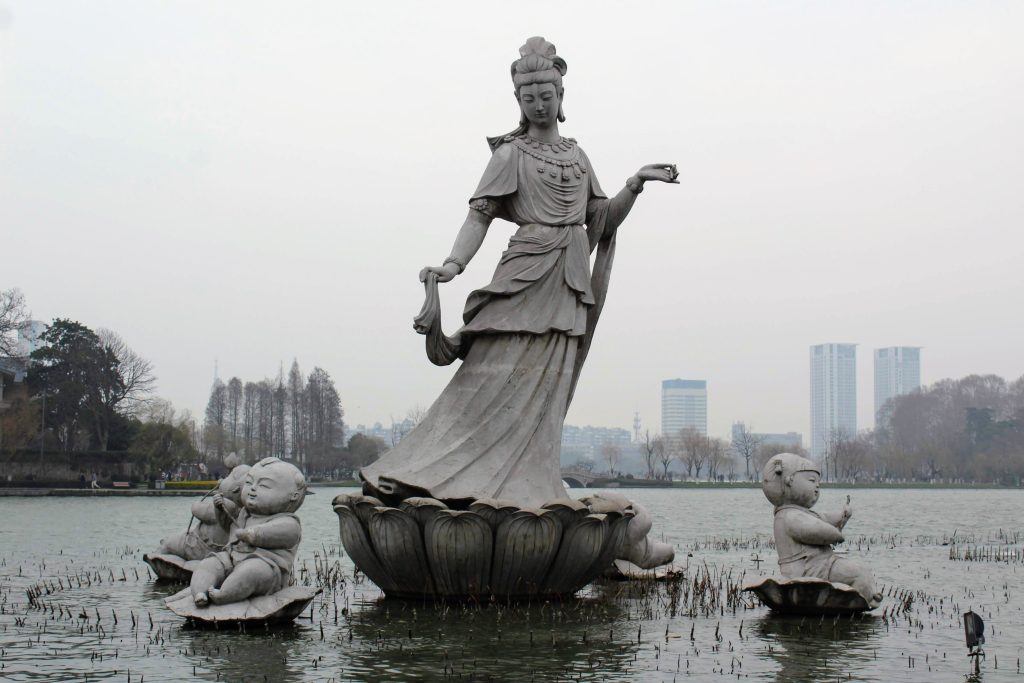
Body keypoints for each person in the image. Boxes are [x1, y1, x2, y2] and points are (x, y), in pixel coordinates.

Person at [360, 37, 677, 508]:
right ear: (519, 102)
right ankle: (435, 471)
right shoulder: (511, 154)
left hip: (568, 282)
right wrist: (453, 265)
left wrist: (635, 183)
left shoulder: (577, 155)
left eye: (547, 96)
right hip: (524, 274)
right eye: (530, 99)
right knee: (487, 376)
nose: (539, 105)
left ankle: (527, 482)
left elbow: (601, 218)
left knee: (546, 387)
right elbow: (479, 215)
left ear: (561, 96)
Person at [762, 453, 882, 607]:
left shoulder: (802, 513)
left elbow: (825, 519)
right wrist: (835, 535)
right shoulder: (789, 516)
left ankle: (863, 597)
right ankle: (855, 603)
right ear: (789, 481)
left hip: (821, 565)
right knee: (859, 573)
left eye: (818, 482)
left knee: (861, 570)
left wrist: (842, 515)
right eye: (811, 481)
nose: (817, 486)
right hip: (808, 570)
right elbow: (815, 531)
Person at [190, 457, 305, 606]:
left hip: (266, 565)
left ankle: (224, 595)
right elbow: (227, 525)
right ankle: (200, 592)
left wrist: (252, 535)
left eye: (264, 485)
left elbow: (273, 533)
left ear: (293, 495)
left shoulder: (288, 522)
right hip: (231, 558)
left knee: (251, 571)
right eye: (249, 482)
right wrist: (221, 508)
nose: (253, 488)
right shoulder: (243, 513)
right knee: (209, 564)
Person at [158, 464, 250, 561]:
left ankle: (159, 553)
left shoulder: (220, 506)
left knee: (168, 544)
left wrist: (196, 504)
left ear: (235, 489)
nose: (222, 479)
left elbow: (197, 510)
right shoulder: (242, 513)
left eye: (229, 477)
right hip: (219, 552)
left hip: (197, 545)